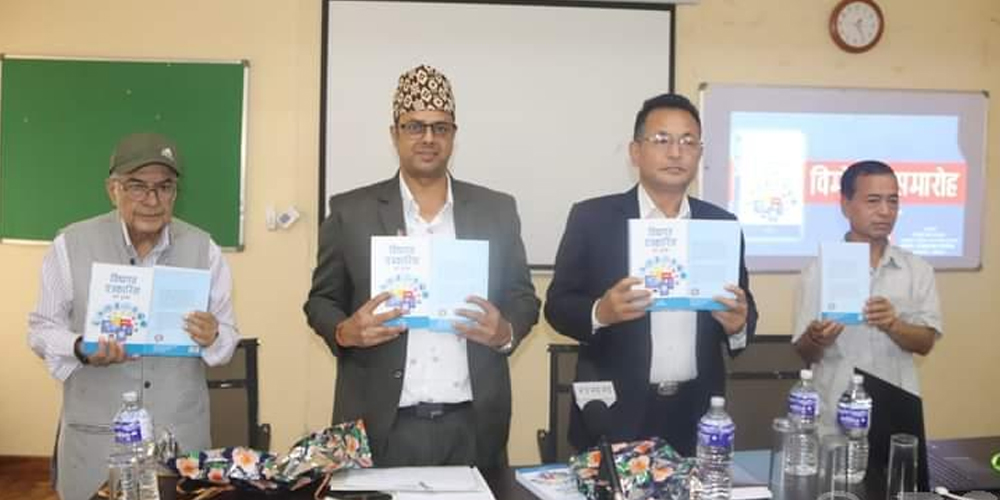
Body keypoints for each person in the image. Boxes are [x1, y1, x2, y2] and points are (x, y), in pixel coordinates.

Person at [304, 64, 540, 468]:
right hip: (379, 423)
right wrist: (345, 331)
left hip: (473, 424)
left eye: (440, 127)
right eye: (415, 126)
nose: (428, 138)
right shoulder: (350, 212)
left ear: (453, 135)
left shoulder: (497, 210)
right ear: (394, 133)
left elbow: (523, 298)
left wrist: (505, 332)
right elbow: (321, 301)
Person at [27, 132, 240, 500]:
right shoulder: (71, 245)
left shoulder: (204, 249)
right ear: (113, 190)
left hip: (179, 448)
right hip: (96, 445)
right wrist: (80, 347)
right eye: (138, 186)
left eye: (164, 187)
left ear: (175, 192)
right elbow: (41, 330)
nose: (152, 200)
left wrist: (214, 335)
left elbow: (227, 342)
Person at [544, 93, 757, 456]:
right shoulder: (593, 219)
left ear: (700, 153)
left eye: (688, 141)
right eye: (662, 140)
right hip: (613, 414)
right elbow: (558, 306)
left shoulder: (721, 224)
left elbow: (744, 307)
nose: (676, 153)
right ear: (635, 151)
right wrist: (600, 312)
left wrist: (738, 326)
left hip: (696, 412)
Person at [792, 160, 942, 434]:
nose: (885, 211)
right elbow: (804, 352)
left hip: (897, 411)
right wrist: (816, 337)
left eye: (892, 201)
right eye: (873, 201)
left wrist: (894, 324)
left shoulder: (917, 270)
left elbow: (926, 343)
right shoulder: (818, 270)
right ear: (845, 205)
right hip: (835, 415)